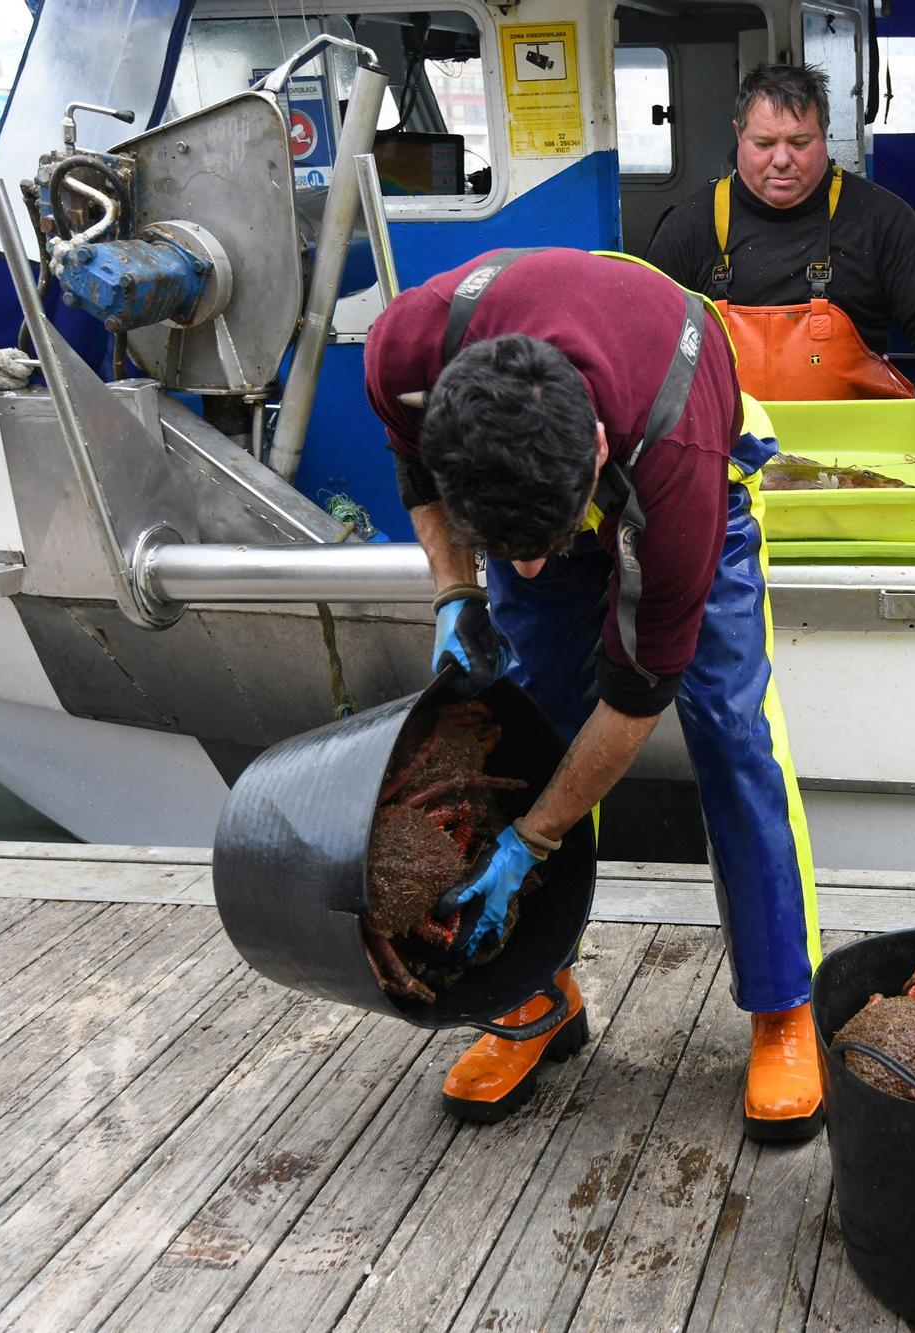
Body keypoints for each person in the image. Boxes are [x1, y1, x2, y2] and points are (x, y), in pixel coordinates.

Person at [364, 247, 825, 1142]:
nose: (530, 570)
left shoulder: (677, 466)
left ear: (597, 456)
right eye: (508, 549)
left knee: (731, 731)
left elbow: (634, 703)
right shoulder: (409, 348)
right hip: (549, 450)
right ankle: (538, 987)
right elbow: (412, 458)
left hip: (684, 432)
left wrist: (531, 842)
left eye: (537, 545)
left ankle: (783, 1004)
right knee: (530, 720)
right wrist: (458, 587)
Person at [646, 63, 915, 485]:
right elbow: (647, 346)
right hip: (727, 471)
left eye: (800, 142)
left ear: (825, 133)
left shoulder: (882, 220)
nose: (781, 160)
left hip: (862, 468)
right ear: (738, 134)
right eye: (763, 143)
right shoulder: (690, 226)